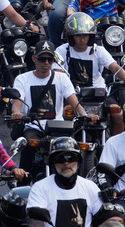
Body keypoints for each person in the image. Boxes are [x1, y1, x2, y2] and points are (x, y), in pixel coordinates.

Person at [10, 41, 94, 170]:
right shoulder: (22, 79)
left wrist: (84, 115)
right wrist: (17, 113)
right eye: (42, 59)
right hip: (34, 128)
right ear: (34, 59)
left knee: (71, 151)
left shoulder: (62, 78)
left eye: (50, 59)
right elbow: (17, 103)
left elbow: (74, 102)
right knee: (28, 146)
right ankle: (23, 180)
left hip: (58, 128)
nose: (46, 63)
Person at [26, 138, 103, 227]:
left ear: (78, 161)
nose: (66, 163)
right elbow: (35, 220)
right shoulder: (40, 188)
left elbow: (104, 215)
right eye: (60, 159)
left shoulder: (90, 187)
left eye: (71, 158)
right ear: (53, 163)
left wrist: (113, 217)